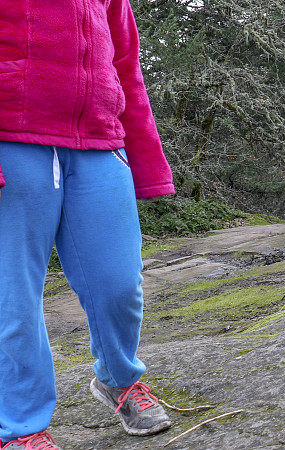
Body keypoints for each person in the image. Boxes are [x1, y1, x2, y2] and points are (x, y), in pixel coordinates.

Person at [0, 1, 175, 447]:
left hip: (99, 142)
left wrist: (148, 162)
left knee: (119, 284)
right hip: (12, 141)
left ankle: (118, 379)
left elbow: (125, 65)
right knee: (12, 301)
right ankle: (21, 428)